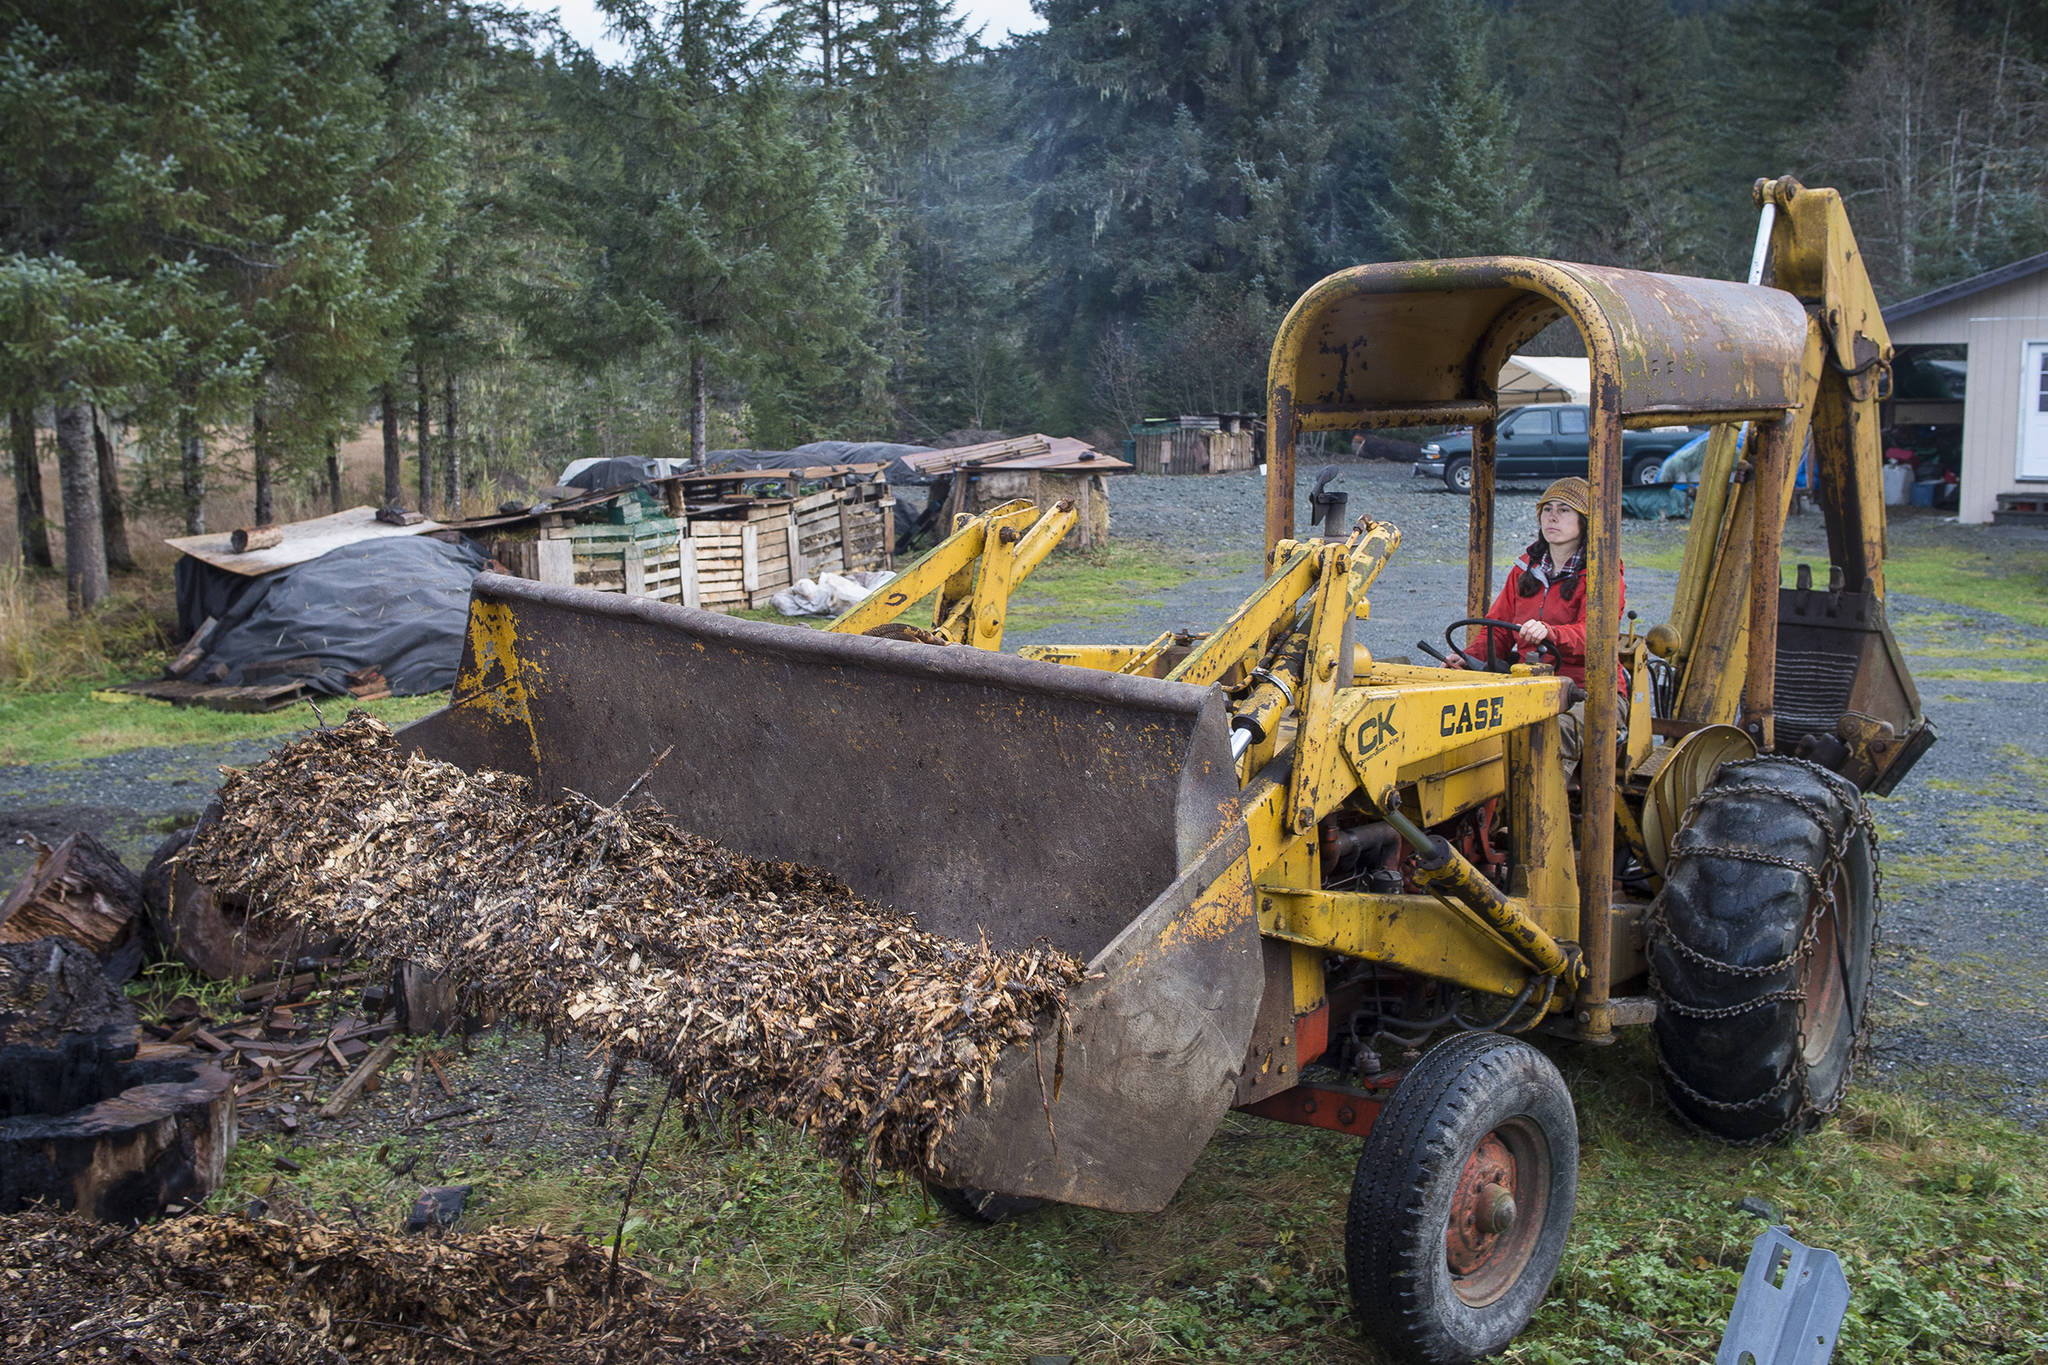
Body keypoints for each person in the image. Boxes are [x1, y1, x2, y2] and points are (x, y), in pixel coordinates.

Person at [1448, 476, 1626, 767]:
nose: (1552, 516)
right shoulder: (1524, 569)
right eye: (1547, 509)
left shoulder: (1602, 574)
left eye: (1564, 510)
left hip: (1587, 691)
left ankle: (1545, 807)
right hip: (1526, 684)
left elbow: (1596, 637)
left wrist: (1552, 633)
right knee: (1467, 724)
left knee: (1545, 735)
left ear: (1585, 520)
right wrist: (1468, 658)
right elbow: (1497, 629)